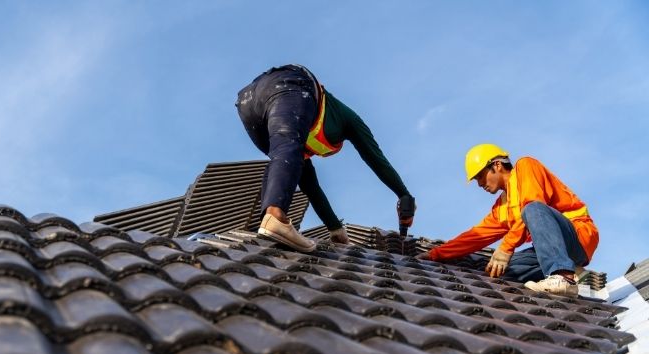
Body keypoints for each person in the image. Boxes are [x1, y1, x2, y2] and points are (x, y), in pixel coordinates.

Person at [235, 64, 416, 252]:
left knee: (283, 161)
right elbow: (375, 158)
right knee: (288, 150)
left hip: (248, 103)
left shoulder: (298, 141)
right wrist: (404, 195)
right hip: (290, 84)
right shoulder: (347, 119)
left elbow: (310, 186)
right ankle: (275, 216)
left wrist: (334, 228)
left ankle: (267, 225)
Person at [418, 144, 598, 297]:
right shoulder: (502, 207)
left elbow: (533, 204)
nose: (480, 184)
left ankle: (564, 276)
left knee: (532, 208)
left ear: (496, 165)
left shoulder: (525, 166)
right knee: (500, 271)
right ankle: (572, 272)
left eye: (480, 176)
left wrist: (505, 247)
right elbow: (476, 236)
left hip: (577, 235)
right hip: (550, 249)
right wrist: (436, 254)